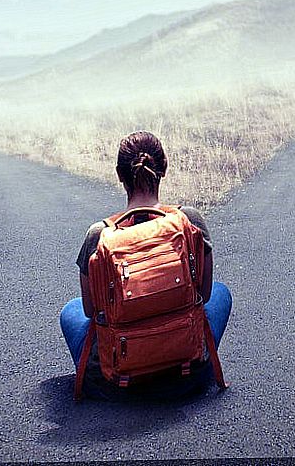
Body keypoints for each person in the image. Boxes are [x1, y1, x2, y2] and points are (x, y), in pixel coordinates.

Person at [60, 130, 232, 400]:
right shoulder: (190, 220)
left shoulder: (98, 235)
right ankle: (193, 359)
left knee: (71, 310)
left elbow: (92, 310)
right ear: (163, 168)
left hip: (118, 383)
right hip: (188, 375)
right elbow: (205, 294)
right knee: (221, 293)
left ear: (119, 175)